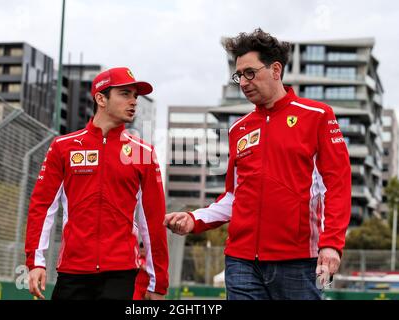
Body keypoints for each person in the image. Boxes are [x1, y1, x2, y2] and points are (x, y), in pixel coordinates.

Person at [164, 28, 351, 300]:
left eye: (250, 72)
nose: (243, 82)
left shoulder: (318, 116)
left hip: (298, 262)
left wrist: (331, 244)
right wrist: (194, 219)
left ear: (276, 69)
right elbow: (233, 196)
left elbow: (337, 186)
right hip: (240, 262)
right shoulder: (238, 129)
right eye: (239, 75)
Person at [25, 67, 169, 300]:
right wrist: (35, 262)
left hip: (120, 273)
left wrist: (157, 282)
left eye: (135, 96)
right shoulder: (63, 147)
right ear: (101, 98)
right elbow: (42, 207)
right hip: (72, 271)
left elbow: (153, 221)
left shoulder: (143, 152)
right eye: (125, 94)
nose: (133, 101)